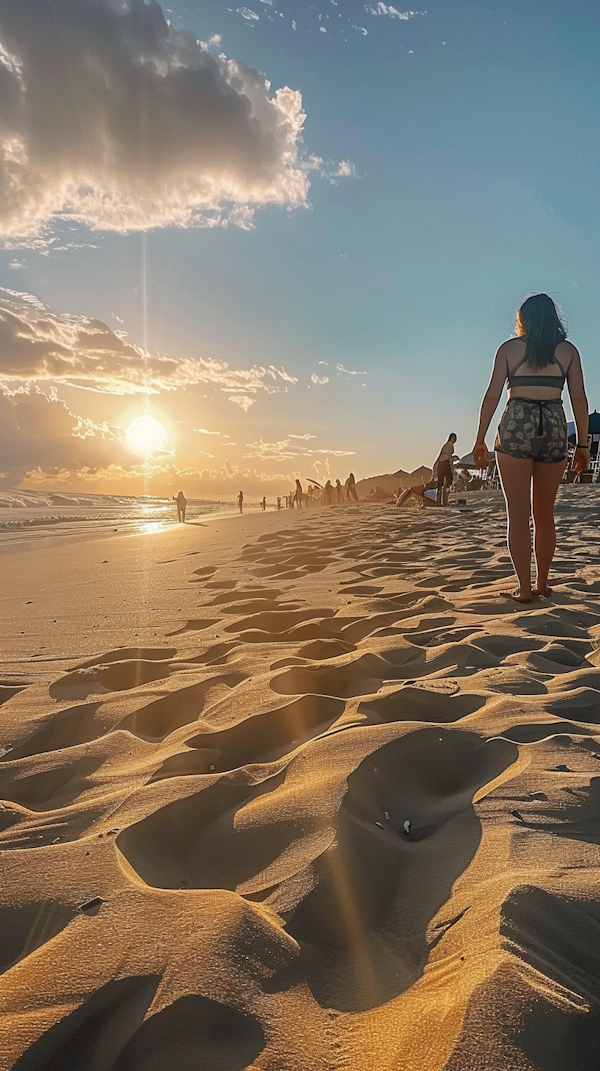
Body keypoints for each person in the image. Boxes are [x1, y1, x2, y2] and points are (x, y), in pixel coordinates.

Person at [473, 293, 589, 603]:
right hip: (553, 424)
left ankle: (524, 588)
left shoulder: (510, 349)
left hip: (516, 425)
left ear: (523, 319)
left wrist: (480, 438)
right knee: (544, 514)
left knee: (518, 513)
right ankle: (543, 583)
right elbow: (579, 399)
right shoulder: (567, 352)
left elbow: (492, 396)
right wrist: (581, 444)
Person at [434, 434, 457, 506]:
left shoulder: (449, 445)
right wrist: (452, 467)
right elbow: (448, 457)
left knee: (444, 482)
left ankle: (442, 501)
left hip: (443, 463)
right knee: (444, 482)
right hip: (444, 463)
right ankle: (440, 501)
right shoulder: (448, 446)